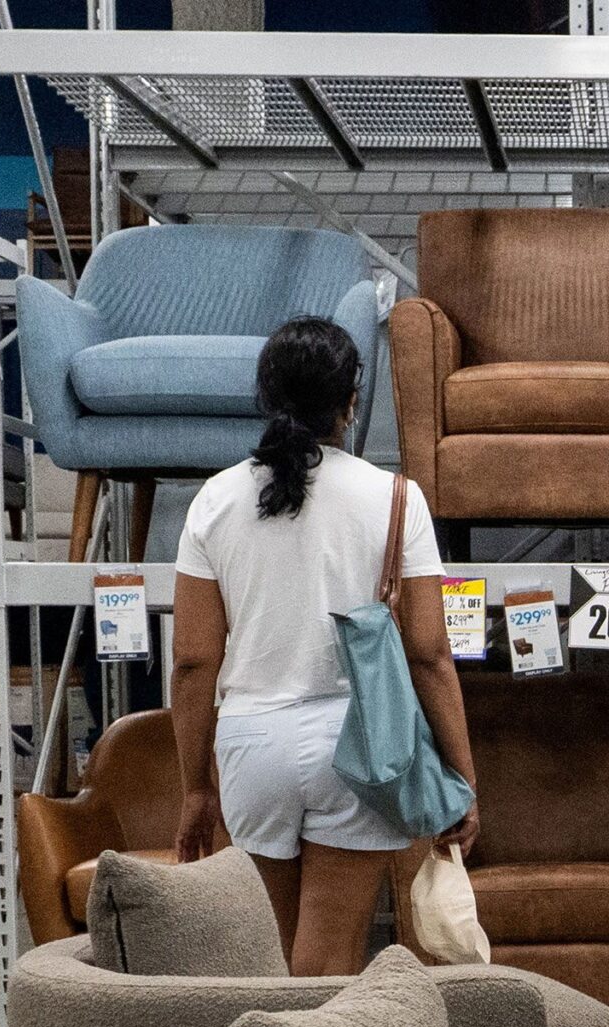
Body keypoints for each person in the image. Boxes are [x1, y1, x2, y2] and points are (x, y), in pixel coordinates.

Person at [168, 315, 479, 977]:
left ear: (266, 398)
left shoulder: (215, 502)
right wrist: (463, 779)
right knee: (331, 962)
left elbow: (195, 661)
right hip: (358, 745)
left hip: (251, 744)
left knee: (273, 963)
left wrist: (196, 789)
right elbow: (429, 653)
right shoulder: (396, 498)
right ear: (351, 403)